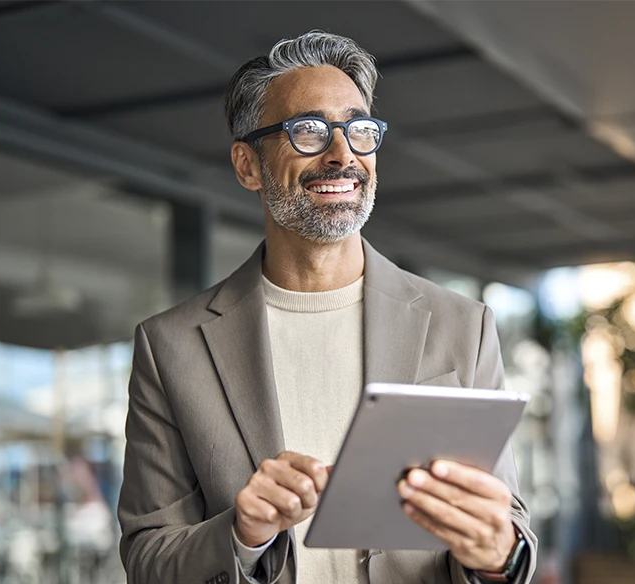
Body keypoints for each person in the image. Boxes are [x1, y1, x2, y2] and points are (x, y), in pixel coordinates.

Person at [116, 31, 537, 584]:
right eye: (309, 131)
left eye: (360, 131)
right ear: (248, 165)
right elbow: (149, 560)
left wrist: (499, 555)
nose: (343, 156)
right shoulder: (171, 346)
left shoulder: (464, 326)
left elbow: (504, 524)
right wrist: (242, 534)